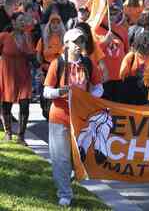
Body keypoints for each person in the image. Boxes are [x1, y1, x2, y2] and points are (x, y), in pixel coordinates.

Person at [43, 28, 103, 206]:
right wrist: (59, 92)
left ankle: (68, 176)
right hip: (60, 117)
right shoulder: (58, 63)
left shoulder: (88, 63)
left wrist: (91, 97)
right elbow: (46, 91)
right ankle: (65, 194)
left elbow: (99, 87)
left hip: (81, 118)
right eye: (75, 42)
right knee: (60, 157)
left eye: (81, 42)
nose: (78, 45)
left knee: (77, 156)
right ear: (66, 44)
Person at [0, 12, 35, 143]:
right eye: (20, 20)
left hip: (23, 74)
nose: (22, 23)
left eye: (24, 21)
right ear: (13, 22)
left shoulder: (27, 37)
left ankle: (21, 136)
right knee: (6, 104)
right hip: (7, 74)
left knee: (25, 104)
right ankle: (8, 133)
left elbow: (32, 55)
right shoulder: (4, 37)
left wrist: (34, 60)